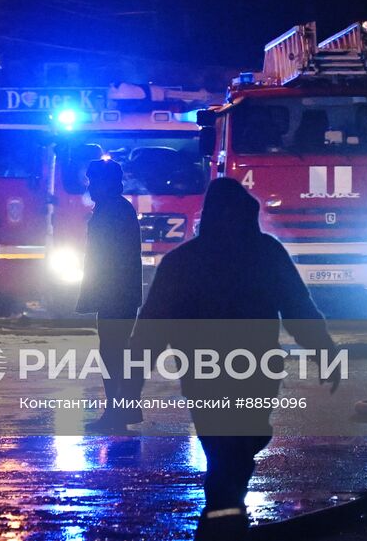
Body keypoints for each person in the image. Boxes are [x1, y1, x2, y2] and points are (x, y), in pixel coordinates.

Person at [131, 177, 340, 539]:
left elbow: (152, 326)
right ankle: (225, 512)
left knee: (223, 441)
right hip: (252, 368)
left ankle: (223, 512)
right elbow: (298, 308)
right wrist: (323, 350)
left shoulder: (183, 261)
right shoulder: (265, 253)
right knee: (239, 440)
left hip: (205, 372)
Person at [73, 158, 142, 432]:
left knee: (113, 352)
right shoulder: (116, 208)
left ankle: (117, 413)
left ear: (105, 183)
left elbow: (110, 257)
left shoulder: (112, 210)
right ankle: (122, 411)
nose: (89, 187)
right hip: (118, 292)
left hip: (116, 293)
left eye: (93, 181)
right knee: (115, 351)